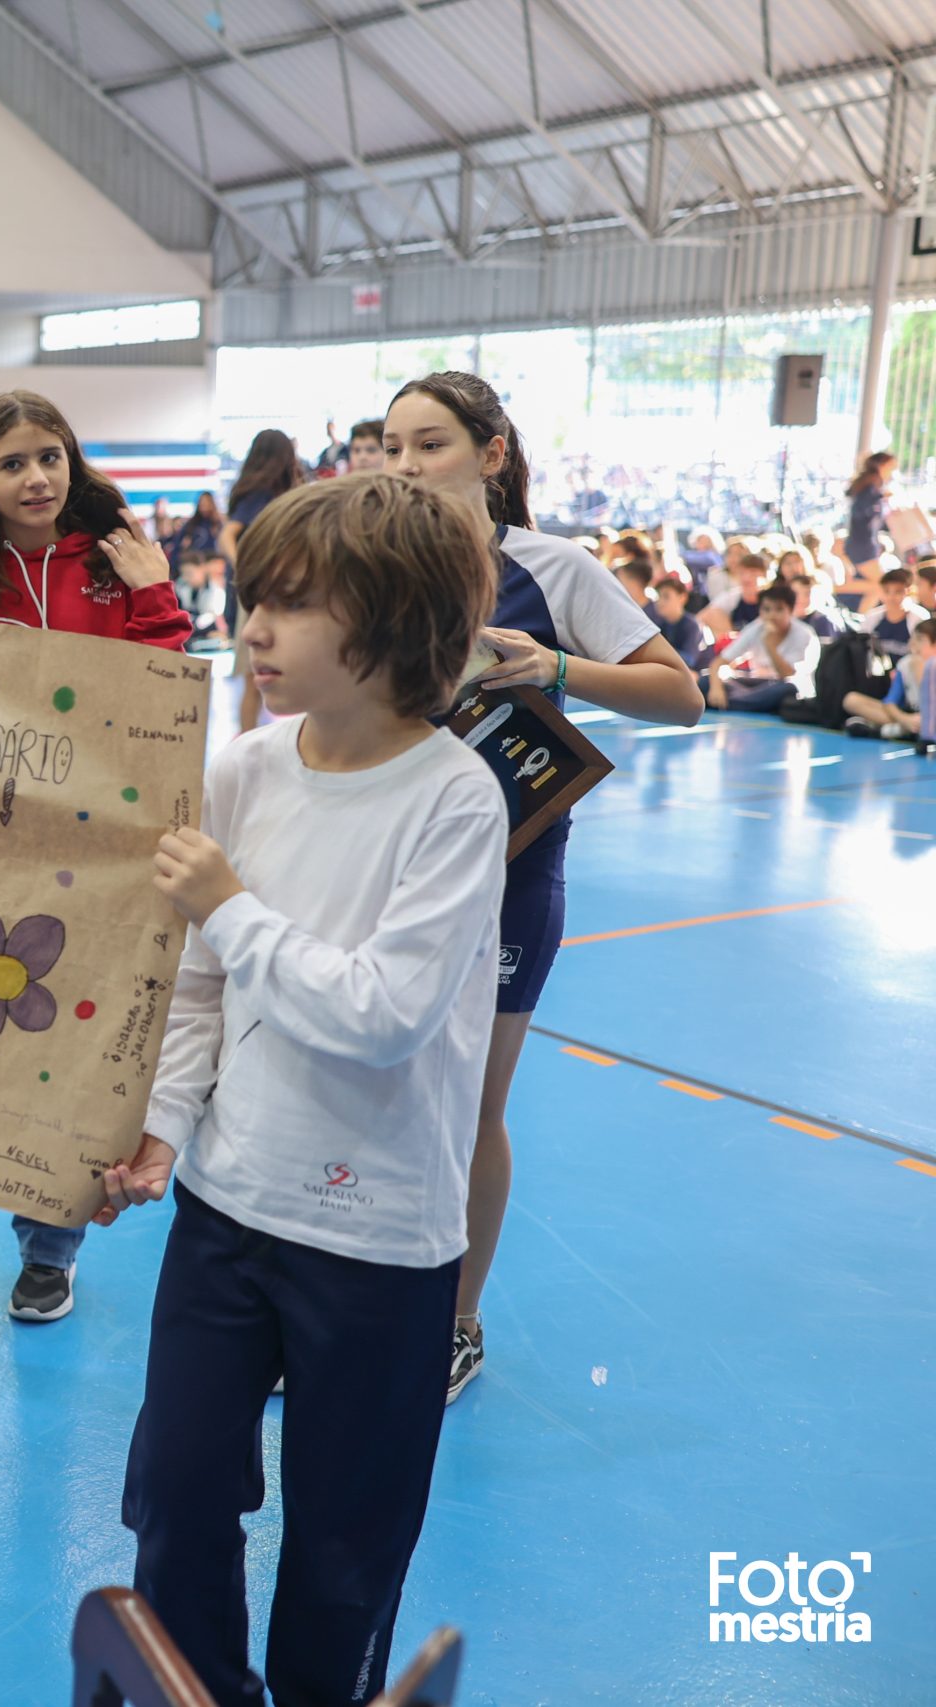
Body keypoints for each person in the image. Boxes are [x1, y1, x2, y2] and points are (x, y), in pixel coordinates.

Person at [94, 473, 507, 1707]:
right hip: (227, 1210)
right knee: (173, 1494)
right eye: (250, 597)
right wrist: (165, 1129)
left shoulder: (452, 799)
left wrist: (229, 903)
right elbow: (200, 984)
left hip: (380, 1241)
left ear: (389, 624)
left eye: (290, 605)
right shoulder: (248, 770)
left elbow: (380, 1017)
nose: (252, 628)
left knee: (342, 1554)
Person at [382, 371, 702, 1404]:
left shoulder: (551, 568)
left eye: (427, 444)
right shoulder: (377, 570)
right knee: (371, 1093)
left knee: (472, 1106)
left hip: (511, 879)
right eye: (389, 447)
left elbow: (680, 695)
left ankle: (455, 1321)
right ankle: (361, 1310)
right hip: (383, 869)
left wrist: (556, 669)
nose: (404, 467)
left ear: (490, 454)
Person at [0, 390, 190, 1360]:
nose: (36, 478)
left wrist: (149, 588)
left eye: (50, 457)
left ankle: (51, 1252)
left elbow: (168, 691)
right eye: (13, 461)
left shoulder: (114, 560)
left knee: (69, 1068)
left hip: (95, 861)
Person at [223, 428, 305, 731]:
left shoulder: (266, 491)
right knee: (253, 677)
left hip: (274, 594)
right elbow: (227, 535)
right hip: (262, 596)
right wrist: (250, 570)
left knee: (258, 679)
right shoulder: (261, 493)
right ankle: (246, 744)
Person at [707, 582, 816, 713]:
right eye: (766, 609)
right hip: (757, 685)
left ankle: (731, 703)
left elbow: (787, 674)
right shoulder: (755, 628)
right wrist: (716, 688)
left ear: (791, 610)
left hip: (785, 686)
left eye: (779, 609)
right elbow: (718, 662)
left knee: (789, 688)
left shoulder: (804, 635)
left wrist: (770, 645)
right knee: (705, 681)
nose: (772, 615)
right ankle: (742, 702)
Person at [843, 618, 934, 740]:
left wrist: (920, 672)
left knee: (927, 721)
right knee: (851, 700)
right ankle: (903, 729)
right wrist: (904, 719)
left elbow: (929, 703)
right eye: (913, 638)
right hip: (910, 715)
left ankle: (882, 730)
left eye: (920, 639)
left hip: (930, 717)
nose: (913, 644)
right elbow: (890, 701)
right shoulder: (905, 664)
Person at [844, 451, 895, 573]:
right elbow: (862, 513)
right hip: (862, 547)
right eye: (891, 468)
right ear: (881, 467)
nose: (892, 473)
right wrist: (879, 499)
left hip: (864, 545)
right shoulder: (870, 491)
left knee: (875, 586)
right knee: (880, 586)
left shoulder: (870, 490)